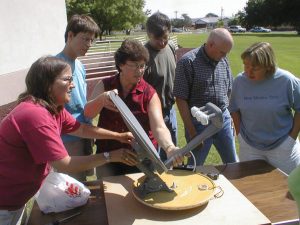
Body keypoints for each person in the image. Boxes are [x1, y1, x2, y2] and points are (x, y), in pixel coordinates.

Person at [0, 56, 135, 225]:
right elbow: (65, 164)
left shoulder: (52, 108)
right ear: (47, 84)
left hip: (15, 201)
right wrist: (110, 156)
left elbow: (82, 129)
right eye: (67, 79)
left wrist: (118, 136)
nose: (73, 85)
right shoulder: (36, 115)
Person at [84, 39, 183, 176]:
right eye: (135, 66)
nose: (140, 71)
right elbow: (88, 114)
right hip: (108, 156)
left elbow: (159, 127)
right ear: (120, 65)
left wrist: (169, 147)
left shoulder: (149, 93)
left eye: (142, 66)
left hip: (140, 159)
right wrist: (101, 100)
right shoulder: (104, 85)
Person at [229, 42, 300, 174]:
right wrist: (240, 136)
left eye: (254, 68)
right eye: (246, 65)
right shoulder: (239, 81)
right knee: (251, 188)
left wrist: (291, 139)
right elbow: (234, 109)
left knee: (287, 188)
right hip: (249, 147)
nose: (248, 71)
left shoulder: (286, 80)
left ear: (268, 66)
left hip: (283, 147)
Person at [173, 28, 238, 166]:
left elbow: (229, 88)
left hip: (223, 119)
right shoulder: (187, 62)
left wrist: (229, 114)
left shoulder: (223, 60)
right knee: (195, 165)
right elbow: (180, 98)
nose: (224, 56)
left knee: (232, 163)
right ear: (210, 45)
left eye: (226, 53)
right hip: (198, 123)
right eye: (222, 52)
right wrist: (192, 131)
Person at [56, 14, 100, 180]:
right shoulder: (55, 66)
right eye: (85, 39)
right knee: (72, 186)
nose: (89, 44)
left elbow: (81, 102)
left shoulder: (80, 66)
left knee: (85, 183)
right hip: (68, 139)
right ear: (70, 35)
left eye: (91, 40)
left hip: (85, 133)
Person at [143, 12, 177, 161]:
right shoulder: (143, 56)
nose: (163, 42)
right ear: (149, 34)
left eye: (165, 37)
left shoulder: (170, 47)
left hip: (170, 109)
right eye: (158, 38)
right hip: (153, 114)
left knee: (172, 152)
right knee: (154, 158)